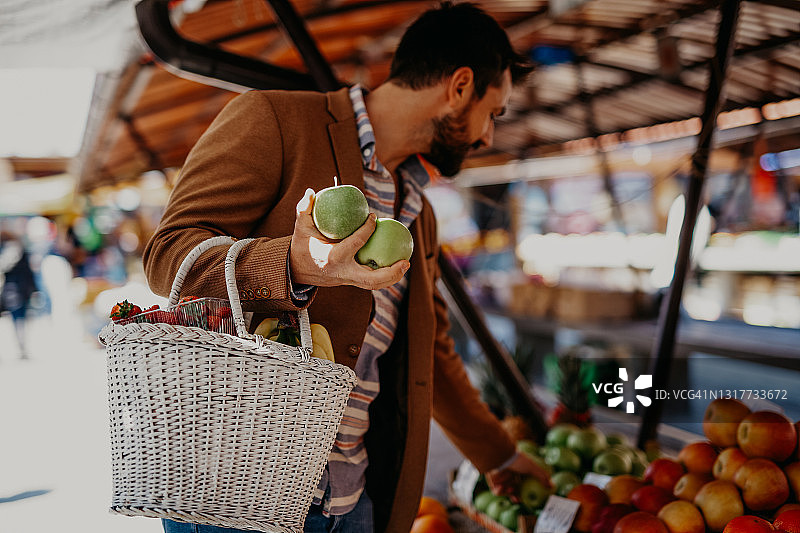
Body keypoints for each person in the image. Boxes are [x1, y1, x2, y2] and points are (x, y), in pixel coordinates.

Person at [143, 3, 550, 532]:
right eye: (492, 113)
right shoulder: (277, 120)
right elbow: (169, 255)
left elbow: (433, 358)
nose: (487, 137)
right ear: (460, 86)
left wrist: (499, 456)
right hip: (240, 497)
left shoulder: (418, 214)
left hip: (351, 503)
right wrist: (294, 264)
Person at [0, 231, 37, 360]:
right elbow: (29, 273)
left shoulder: (9, 251)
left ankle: (22, 348)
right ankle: (22, 348)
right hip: (18, 290)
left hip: (14, 290)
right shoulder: (20, 250)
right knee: (20, 320)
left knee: (18, 320)